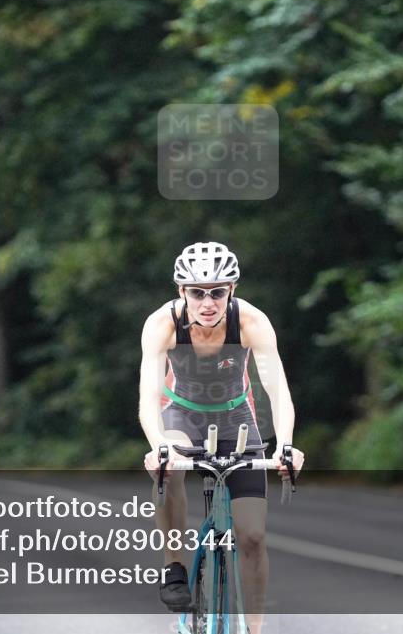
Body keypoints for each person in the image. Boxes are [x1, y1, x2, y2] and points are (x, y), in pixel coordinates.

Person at [140, 242, 304, 634]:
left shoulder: (250, 321)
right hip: (181, 412)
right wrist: (158, 446)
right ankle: (175, 565)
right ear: (182, 292)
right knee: (170, 468)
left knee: (252, 535)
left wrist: (285, 444)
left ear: (232, 289)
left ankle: (254, 629)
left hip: (235, 418)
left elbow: (277, 389)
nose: (207, 302)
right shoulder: (162, 324)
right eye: (197, 292)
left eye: (217, 291)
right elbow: (148, 397)